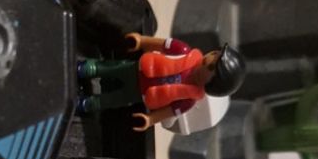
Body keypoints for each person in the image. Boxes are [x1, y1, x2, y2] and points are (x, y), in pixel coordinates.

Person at [77, 34, 245, 131]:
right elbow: (162, 44)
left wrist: (150, 120)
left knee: (114, 99)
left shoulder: (188, 101)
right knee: (111, 68)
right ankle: (88, 68)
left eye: (212, 67)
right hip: (137, 69)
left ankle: (89, 104)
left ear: (213, 84)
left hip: (139, 94)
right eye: (214, 54)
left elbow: (169, 111)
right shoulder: (183, 50)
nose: (208, 60)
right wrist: (141, 41)